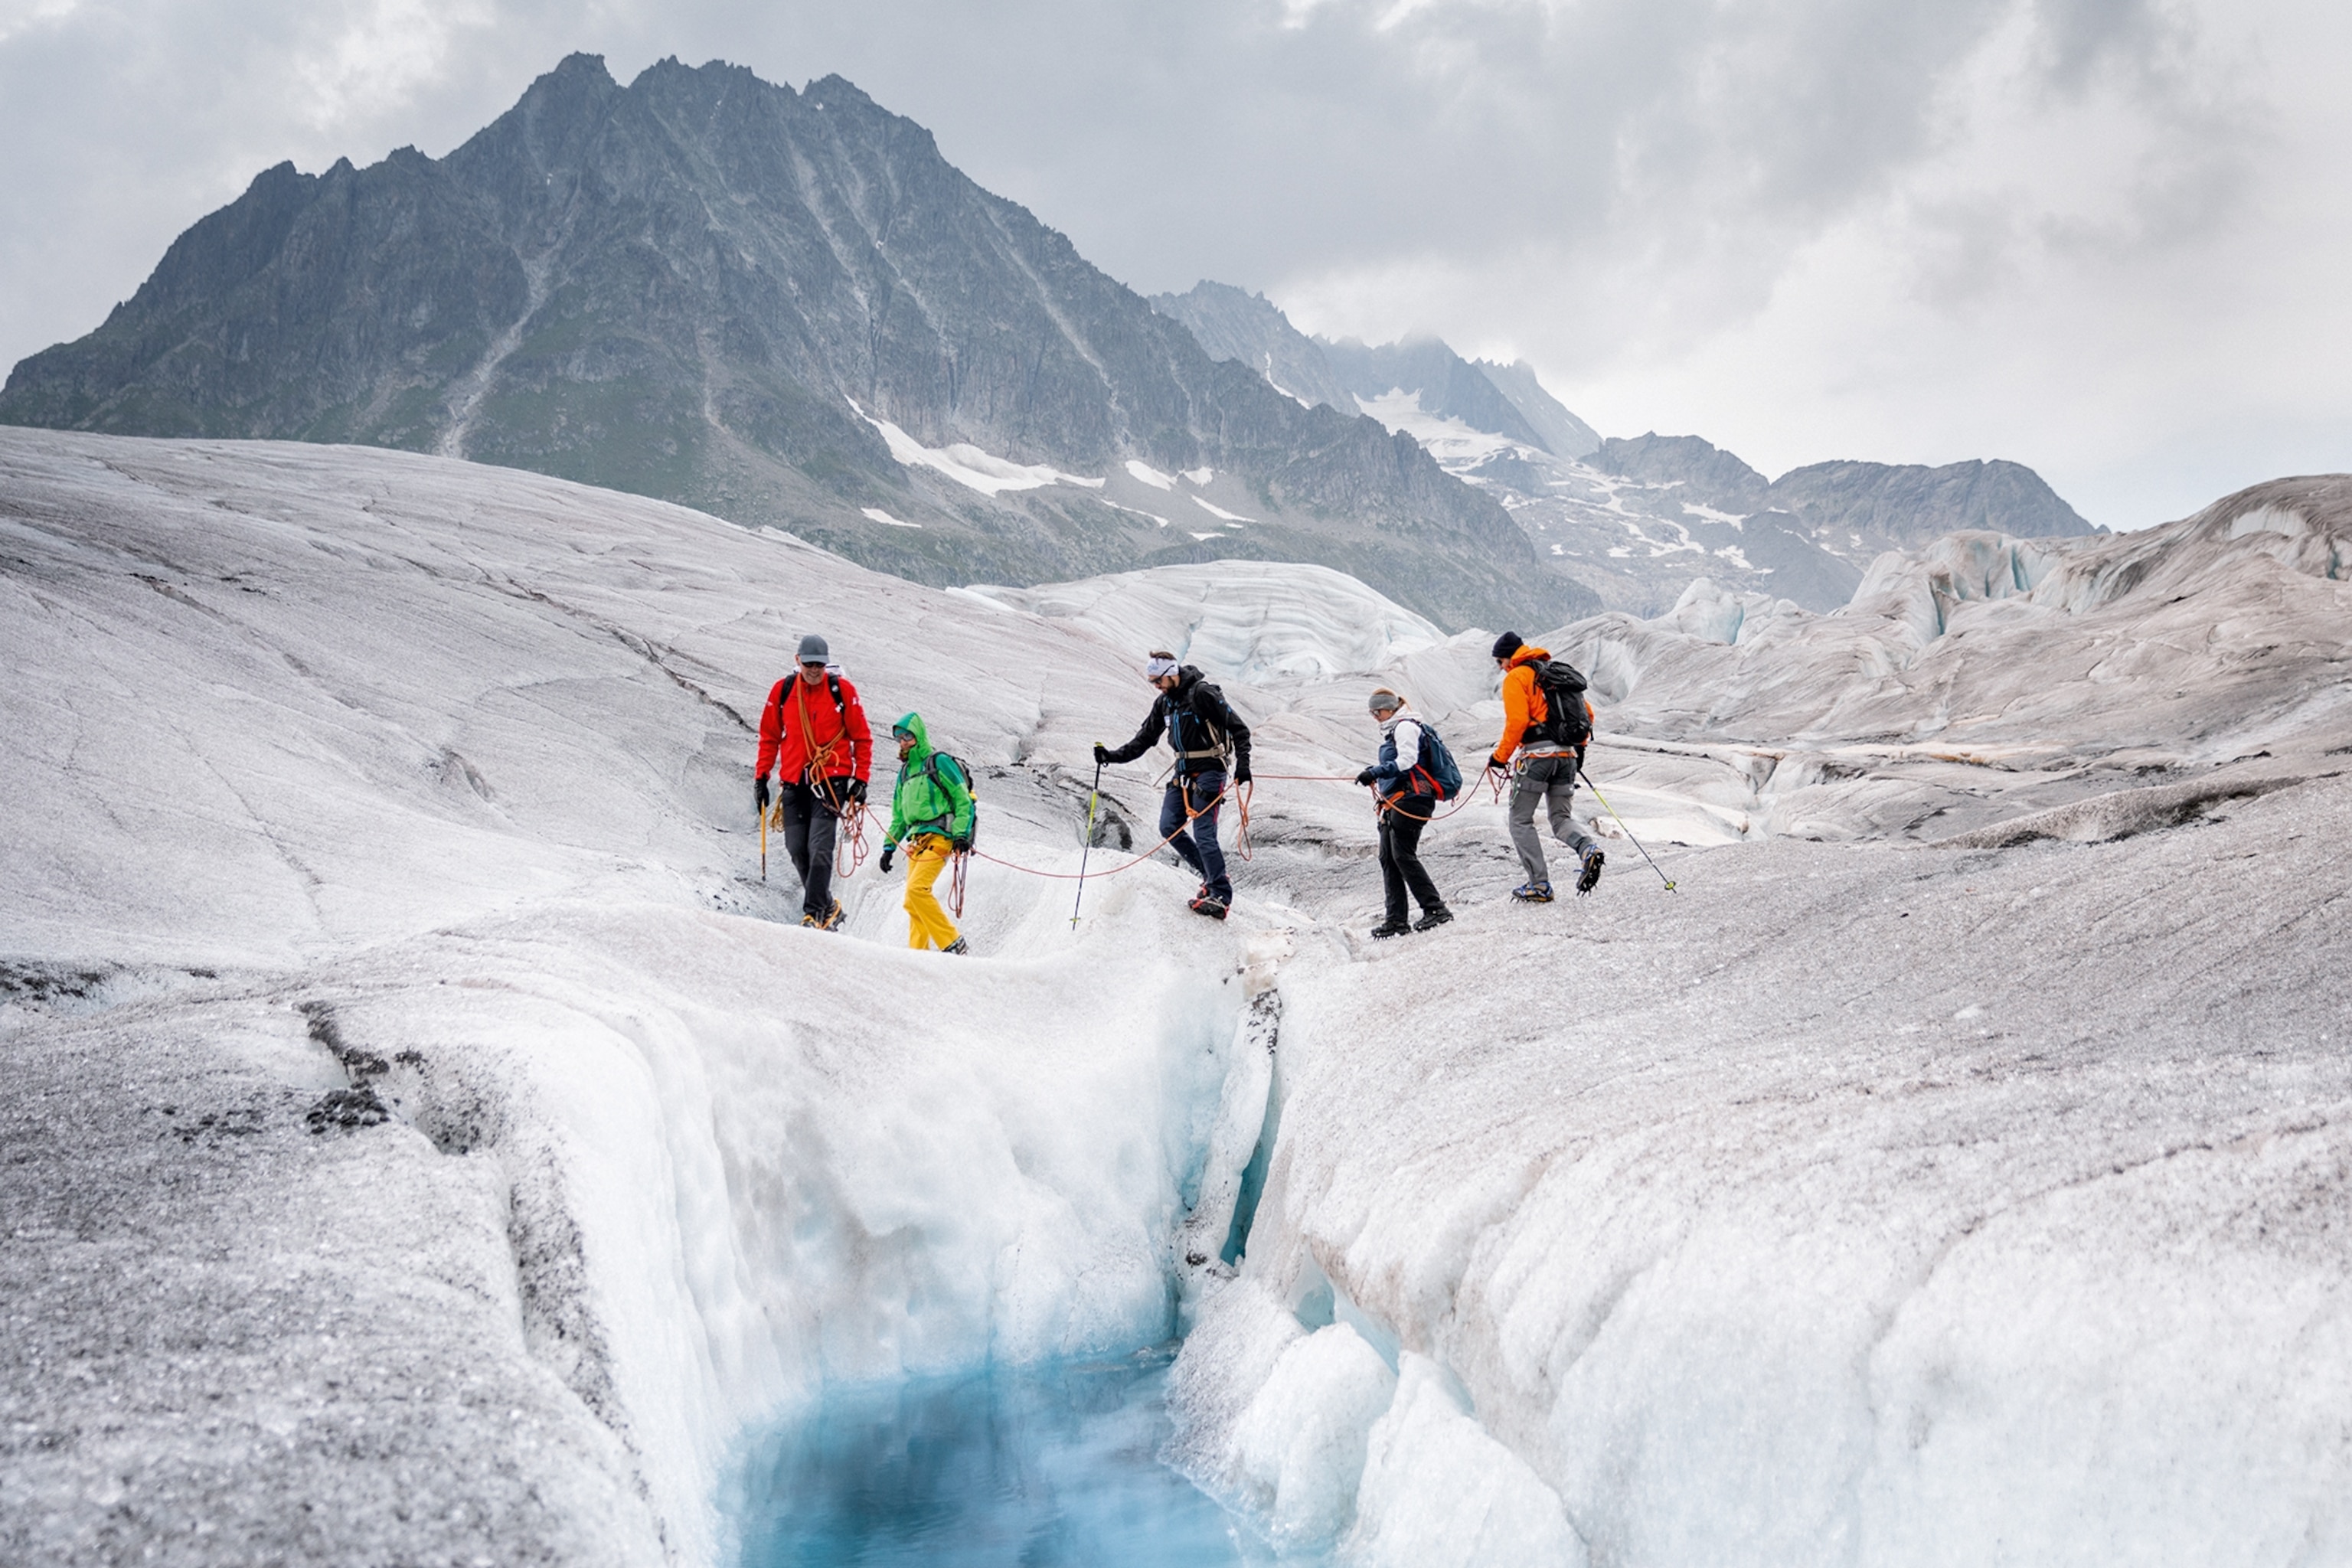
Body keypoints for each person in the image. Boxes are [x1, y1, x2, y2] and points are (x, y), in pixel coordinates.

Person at [1094, 652, 1253, 920]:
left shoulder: (1203, 694)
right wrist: (1111, 756)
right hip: (1182, 773)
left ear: (1171, 673)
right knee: (1168, 826)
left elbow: (1240, 729)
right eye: (1152, 681)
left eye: (1158, 680)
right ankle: (1211, 876)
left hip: (1210, 771)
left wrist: (1243, 765)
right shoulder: (1164, 703)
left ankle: (1220, 896)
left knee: (1204, 834)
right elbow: (1144, 739)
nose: (1155, 685)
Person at [754, 633, 873, 929]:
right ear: (798, 661)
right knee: (797, 848)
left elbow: (862, 737)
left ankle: (814, 914)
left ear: (826, 663)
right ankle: (830, 906)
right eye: (809, 664)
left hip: (831, 781)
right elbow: (769, 737)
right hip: (794, 781)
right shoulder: (782, 691)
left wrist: (861, 779)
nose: (815, 670)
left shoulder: (841, 690)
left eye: (819, 664)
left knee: (820, 847)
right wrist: (761, 777)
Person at [1485, 631, 1603, 902]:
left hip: (1536, 759)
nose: (1501, 668)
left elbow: (1516, 722)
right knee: (1560, 819)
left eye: (1500, 662)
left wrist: (1500, 758)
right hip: (1566, 758)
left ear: (1508, 658)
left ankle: (1539, 885)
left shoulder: (1517, 677)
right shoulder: (1553, 675)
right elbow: (1588, 714)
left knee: (1520, 820)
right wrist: (1576, 747)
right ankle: (1588, 849)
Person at [1355, 688, 1452, 939]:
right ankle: (1396, 920)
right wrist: (1376, 771)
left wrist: (1376, 773)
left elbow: (1407, 760)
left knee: (1403, 855)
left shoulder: (1405, 726)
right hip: (1397, 801)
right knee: (1389, 857)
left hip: (1411, 799)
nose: (1375, 716)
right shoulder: (1395, 729)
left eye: (1377, 711)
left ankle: (1435, 908)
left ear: (1389, 708)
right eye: (1372, 712)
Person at [877, 712, 973, 955]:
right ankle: (917, 954)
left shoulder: (939, 762)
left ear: (918, 735)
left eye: (908, 736)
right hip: (917, 841)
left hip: (941, 836)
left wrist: (961, 834)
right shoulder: (905, 773)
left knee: (917, 890)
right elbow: (900, 816)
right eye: (900, 738)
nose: (904, 742)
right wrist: (889, 847)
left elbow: (963, 800)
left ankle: (952, 942)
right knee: (912, 901)